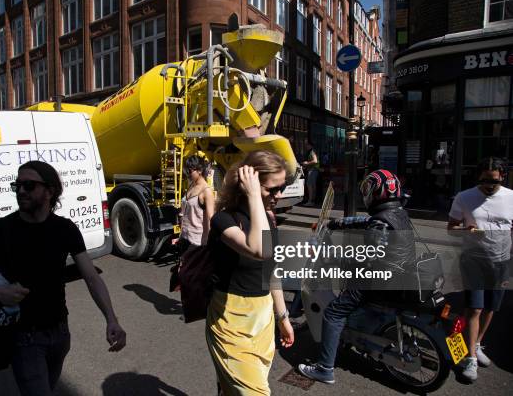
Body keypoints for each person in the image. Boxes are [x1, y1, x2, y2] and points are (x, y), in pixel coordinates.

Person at [0, 161, 126, 395]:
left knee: (46, 387)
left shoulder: (65, 229)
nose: (21, 191)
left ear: (50, 191)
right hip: (23, 338)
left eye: (29, 185)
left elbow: (91, 277)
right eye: (17, 185)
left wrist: (111, 319)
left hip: (60, 334)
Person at [298, 169, 415, 385]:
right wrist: (337, 223)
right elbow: (367, 222)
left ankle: (325, 369)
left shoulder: (381, 221)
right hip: (398, 273)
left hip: (377, 280)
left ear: (374, 192)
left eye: (367, 190)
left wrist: (328, 254)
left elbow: (366, 257)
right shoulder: (396, 212)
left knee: (333, 312)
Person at [206, 151, 295, 395]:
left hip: (262, 320)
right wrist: (255, 194)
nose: (280, 194)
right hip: (230, 321)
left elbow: (271, 270)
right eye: (272, 189)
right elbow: (259, 250)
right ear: (248, 185)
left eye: (283, 186)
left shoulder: (268, 218)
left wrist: (283, 317)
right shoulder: (223, 220)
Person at [447, 157, 512, 382]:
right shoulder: (464, 197)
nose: (488, 185)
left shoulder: (511, 197)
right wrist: (466, 229)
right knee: (474, 308)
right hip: (473, 261)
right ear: (478, 177)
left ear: (502, 177)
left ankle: (476, 343)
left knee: (491, 308)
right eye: (484, 180)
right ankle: (470, 358)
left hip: (501, 262)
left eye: (493, 181)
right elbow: (451, 229)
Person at [178, 155, 215, 253]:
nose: (188, 174)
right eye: (186, 171)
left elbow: (211, 219)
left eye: (190, 171)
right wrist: (180, 236)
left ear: (199, 170)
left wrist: (207, 244)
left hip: (197, 242)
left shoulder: (206, 191)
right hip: (184, 238)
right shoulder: (191, 185)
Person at [302, 142, 319, 206]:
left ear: (310, 145)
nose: (306, 146)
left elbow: (315, 161)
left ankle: (310, 201)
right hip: (314, 170)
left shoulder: (312, 152)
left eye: (307, 145)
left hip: (313, 170)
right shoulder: (312, 151)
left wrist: (307, 163)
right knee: (312, 186)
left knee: (310, 186)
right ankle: (312, 200)